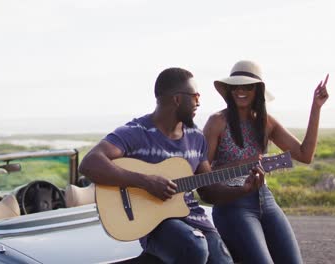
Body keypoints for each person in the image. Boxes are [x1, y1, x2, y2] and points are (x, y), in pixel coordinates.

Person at [79, 67, 264, 264]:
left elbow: (209, 192)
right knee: (194, 247)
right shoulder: (135, 132)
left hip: (194, 220)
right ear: (177, 99)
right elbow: (90, 164)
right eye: (195, 96)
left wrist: (243, 190)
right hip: (154, 224)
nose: (199, 102)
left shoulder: (196, 137)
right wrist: (146, 182)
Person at [199, 60, 329, 264]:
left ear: (257, 90)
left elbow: (305, 154)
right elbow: (202, 174)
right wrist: (242, 165)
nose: (240, 91)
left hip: (264, 199)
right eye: (236, 86)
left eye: (247, 86)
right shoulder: (217, 122)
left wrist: (316, 107)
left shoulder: (266, 122)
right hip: (232, 204)